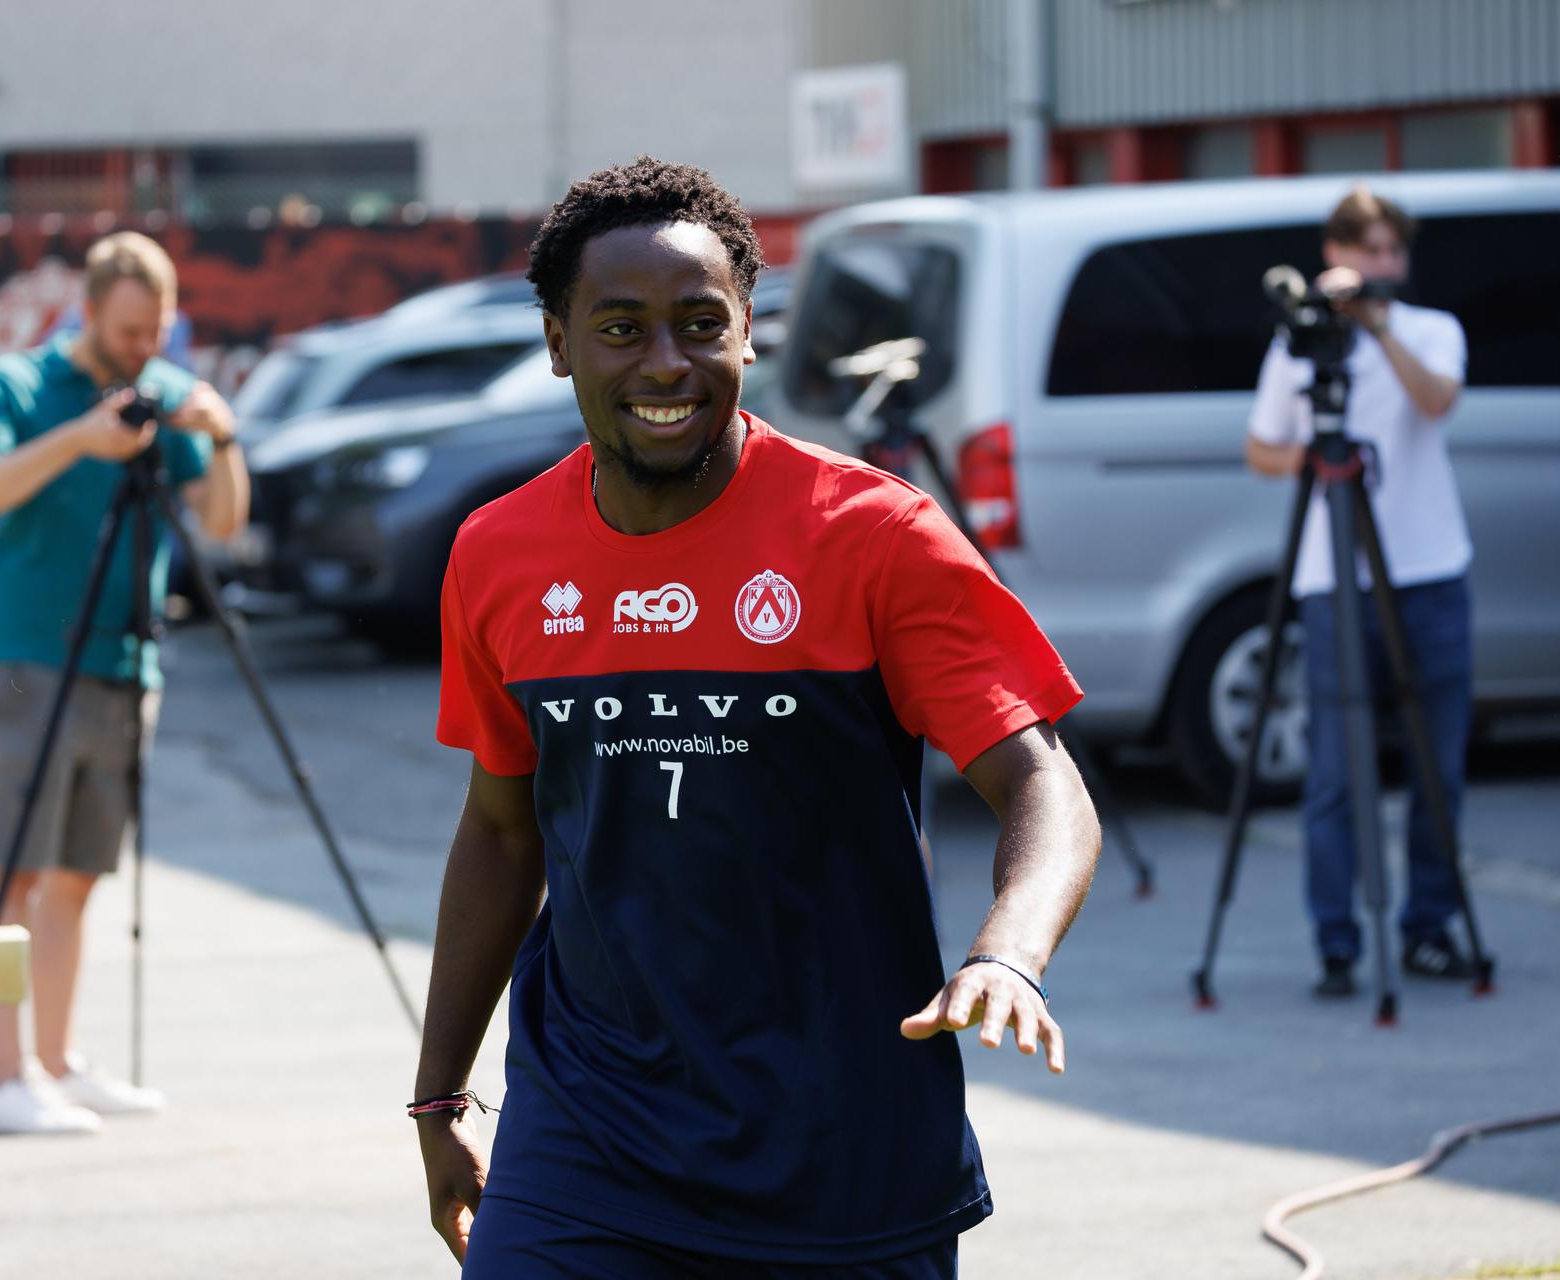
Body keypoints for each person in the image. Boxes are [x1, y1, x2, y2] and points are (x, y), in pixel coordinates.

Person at [414, 157, 1101, 1277]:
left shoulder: (874, 535)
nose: (665, 362)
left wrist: (1010, 955)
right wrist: (440, 1095)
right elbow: (500, 830)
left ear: (747, 333)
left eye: (700, 324)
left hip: (842, 1147)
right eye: (621, 329)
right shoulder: (498, 555)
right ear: (558, 342)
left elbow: (1042, 782)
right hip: (585, 1137)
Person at [0, 232, 248, 1133]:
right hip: (25, 661)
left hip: (124, 665)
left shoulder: (159, 393)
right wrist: (81, 438)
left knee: (77, 878)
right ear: (86, 312)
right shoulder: (17, 384)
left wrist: (221, 435)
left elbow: (223, 524)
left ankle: (56, 1062)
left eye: (155, 332)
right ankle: (4, 1081)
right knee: (13, 874)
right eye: (126, 332)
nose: (141, 350)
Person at [1246, 184, 1477, 998]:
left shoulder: (1429, 330)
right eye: (1367, 249)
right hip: (1333, 577)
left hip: (1430, 570)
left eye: (1392, 250)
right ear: (1335, 255)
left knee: (1437, 765)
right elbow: (1262, 448)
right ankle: (1336, 941)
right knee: (1337, 773)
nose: (1382, 263)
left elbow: (1436, 401)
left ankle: (1429, 927)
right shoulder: (1301, 345)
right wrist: (1313, 458)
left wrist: (1379, 329)